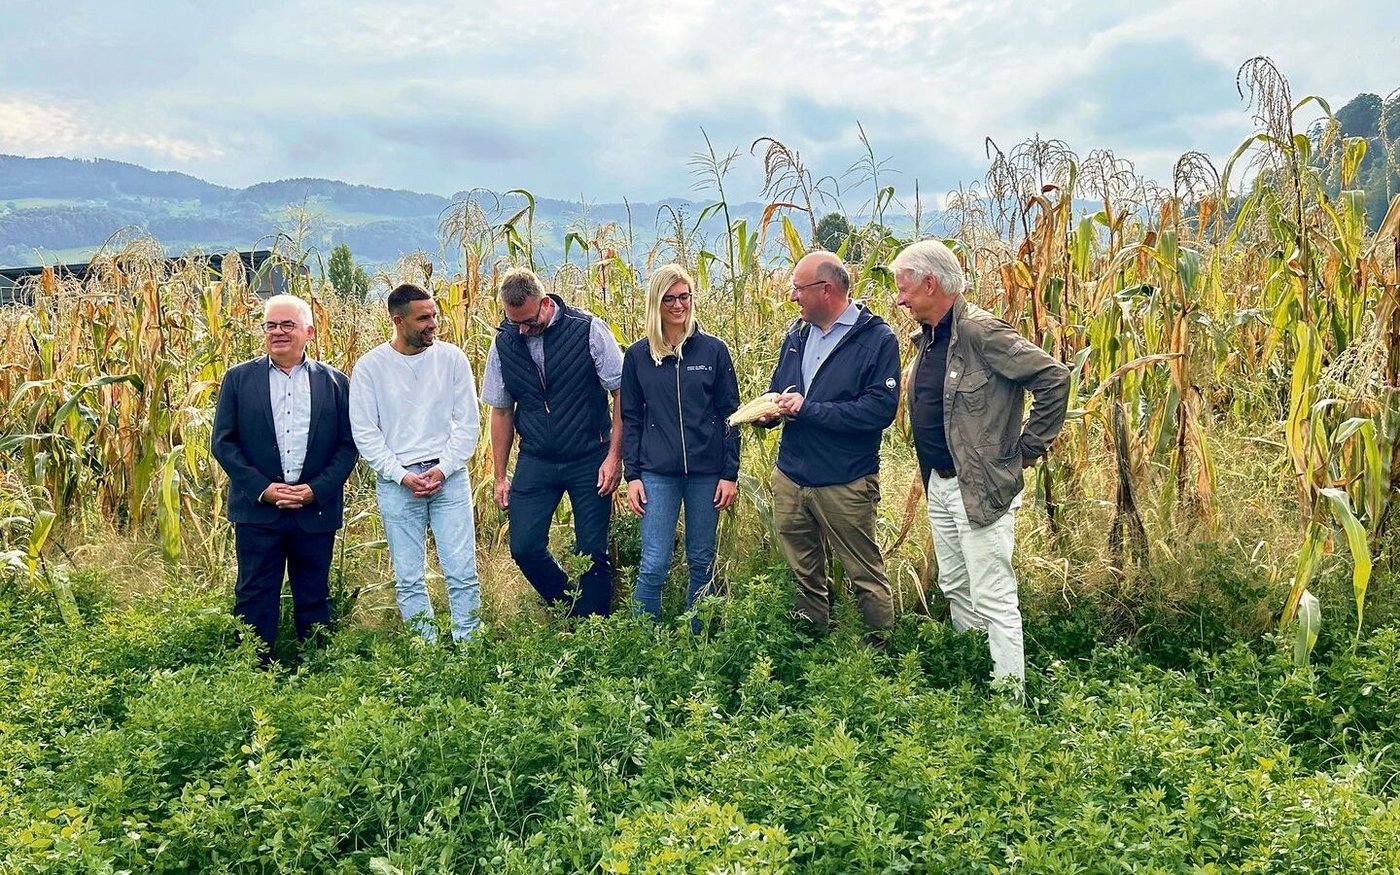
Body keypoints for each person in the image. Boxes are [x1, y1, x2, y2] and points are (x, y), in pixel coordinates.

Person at [892, 238, 1070, 688]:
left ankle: (1009, 702)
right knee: (956, 586)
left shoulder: (981, 333)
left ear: (930, 284)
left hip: (980, 487)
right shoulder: (929, 338)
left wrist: (1026, 450)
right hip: (940, 483)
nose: (899, 299)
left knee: (993, 595)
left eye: (904, 289)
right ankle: (976, 676)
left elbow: (1053, 378)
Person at [760, 250, 900, 640]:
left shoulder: (876, 340)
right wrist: (772, 409)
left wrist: (810, 409)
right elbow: (783, 389)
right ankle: (811, 642)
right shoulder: (797, 334)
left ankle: (879, 653)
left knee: (864, 572)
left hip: (844, 479)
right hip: (792, 475)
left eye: (798, 289)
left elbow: (878, 410)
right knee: (803, 569)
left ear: (826, 290)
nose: (792, 297)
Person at [211, 294, 357, 664]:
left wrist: (316, 490)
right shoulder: (239, 379)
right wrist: (263, 489)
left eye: (287, 325)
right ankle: (253, 668)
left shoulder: (336, 383)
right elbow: (224, 443)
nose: (277, 332)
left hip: (315, 511)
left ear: (309, 331)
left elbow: (348, 445)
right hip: (257, 512)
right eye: (270, 325)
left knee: (314, 592)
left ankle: (317, 667)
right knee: (254, 593)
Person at [483, 267, 624, 617]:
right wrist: (501, 477)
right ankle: (571, 607)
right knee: (524, 546)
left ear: (545, 304)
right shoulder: (504, 342)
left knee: (591, 550)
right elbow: (500, 412)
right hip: (536, 459)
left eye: (529, 321)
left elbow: (622, 393)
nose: (522, 330)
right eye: (513, 321)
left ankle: (597, 629)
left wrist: (614, 457)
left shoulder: (588, 329)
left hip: (590, 455)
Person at [349, 283, 482, 643]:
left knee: (462, 571)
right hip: (397, 484)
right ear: (398, 320)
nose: (433, 323)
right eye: (424, 318)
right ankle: (426, 655)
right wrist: (402, 475)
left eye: (434, 315)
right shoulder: (371, 367)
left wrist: (443, 468)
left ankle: (469, 649)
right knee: (409, 577)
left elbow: (468, 424)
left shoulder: (452, 359)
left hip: (448, 478)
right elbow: (365, 433)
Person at [621, 264, 740, 622]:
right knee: (654, 561)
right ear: (656, 303)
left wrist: (729, 473)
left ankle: (698, 640)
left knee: (702, 560)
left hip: (707, 473)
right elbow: (631, 419)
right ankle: (644, 645)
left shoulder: (713, 351)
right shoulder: (638, 356)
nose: (678, 305)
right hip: (657, 473)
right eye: (669, 298)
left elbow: (730, 415)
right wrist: (633, 476)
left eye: (684, 297)